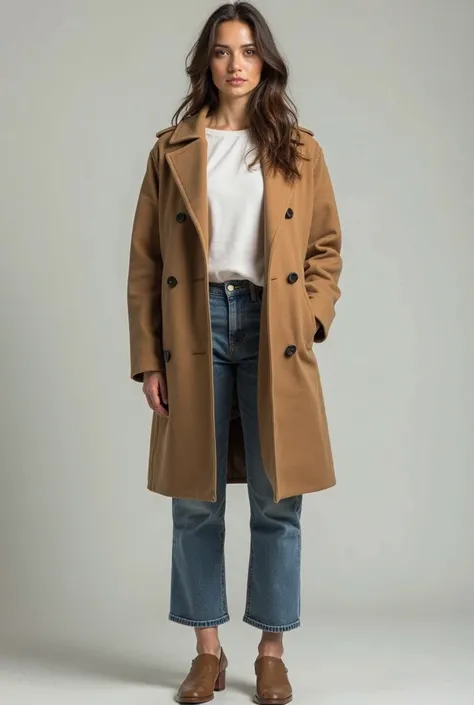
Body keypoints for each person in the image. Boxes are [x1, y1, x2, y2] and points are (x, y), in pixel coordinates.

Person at [127, 2, 342, 703]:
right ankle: (207, 652)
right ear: (207, 63)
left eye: (248, 50)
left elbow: (324, 249)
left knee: (279, 498)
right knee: (196, 498)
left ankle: (271, 653)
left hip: (271, 325)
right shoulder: (172, 150)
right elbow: (145, 261)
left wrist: (308, 316)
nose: (236, 63)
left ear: (265, 60)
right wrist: (149, 359)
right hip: (194, 328)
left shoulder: (298, 149)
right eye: (222, 51)